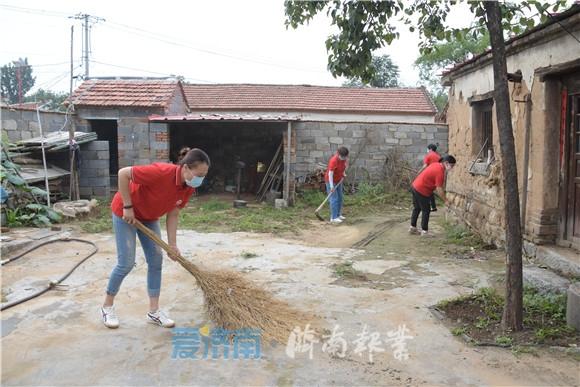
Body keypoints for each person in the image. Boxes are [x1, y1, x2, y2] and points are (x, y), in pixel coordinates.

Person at [101, 148, 210, 329]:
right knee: (126, 263)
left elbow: (173, 214)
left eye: (204, 176)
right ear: (186, 168)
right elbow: (123, 174)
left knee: (156, 260)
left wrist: (172, 245)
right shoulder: (161, 172)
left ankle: (154, 312)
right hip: (125, 212)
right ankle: (107, 306)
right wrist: (128, 207)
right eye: (199, 174)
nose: (201, 179)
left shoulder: (188, 187)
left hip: (149, 217)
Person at [409, 155, 456, 237]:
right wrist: (446, 201)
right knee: (426, 210)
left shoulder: (435, 164)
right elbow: (439, 189)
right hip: (421, 189)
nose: (452, 168)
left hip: (415, 186)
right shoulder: (440, 171)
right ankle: (424, 231)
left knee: (417, 208)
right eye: (451, 166)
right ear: (446, 163)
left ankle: (413, 228)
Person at [324, 146, 349, 224]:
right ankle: (333, 217)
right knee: (334, 198)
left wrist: (343, 174)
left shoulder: (344, 159)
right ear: (339, 154)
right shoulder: (333, 161)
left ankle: (338, 215)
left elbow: (343, 167)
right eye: (342, 157)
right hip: (330, 181)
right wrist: (331, 186)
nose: (344, 158)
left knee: (340, 197)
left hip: (339, 180)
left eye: (345, 157)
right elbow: (330, 174)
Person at [417, 144, 440, 212]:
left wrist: (419, 172)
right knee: (430, 191)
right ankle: (433, 206)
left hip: (430, 175)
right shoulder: (438, 156)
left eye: (427, 149)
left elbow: (425, 166)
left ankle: (425, 206)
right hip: (437, 175)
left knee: (424, 190)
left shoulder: (429, 155)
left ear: (430, 149)